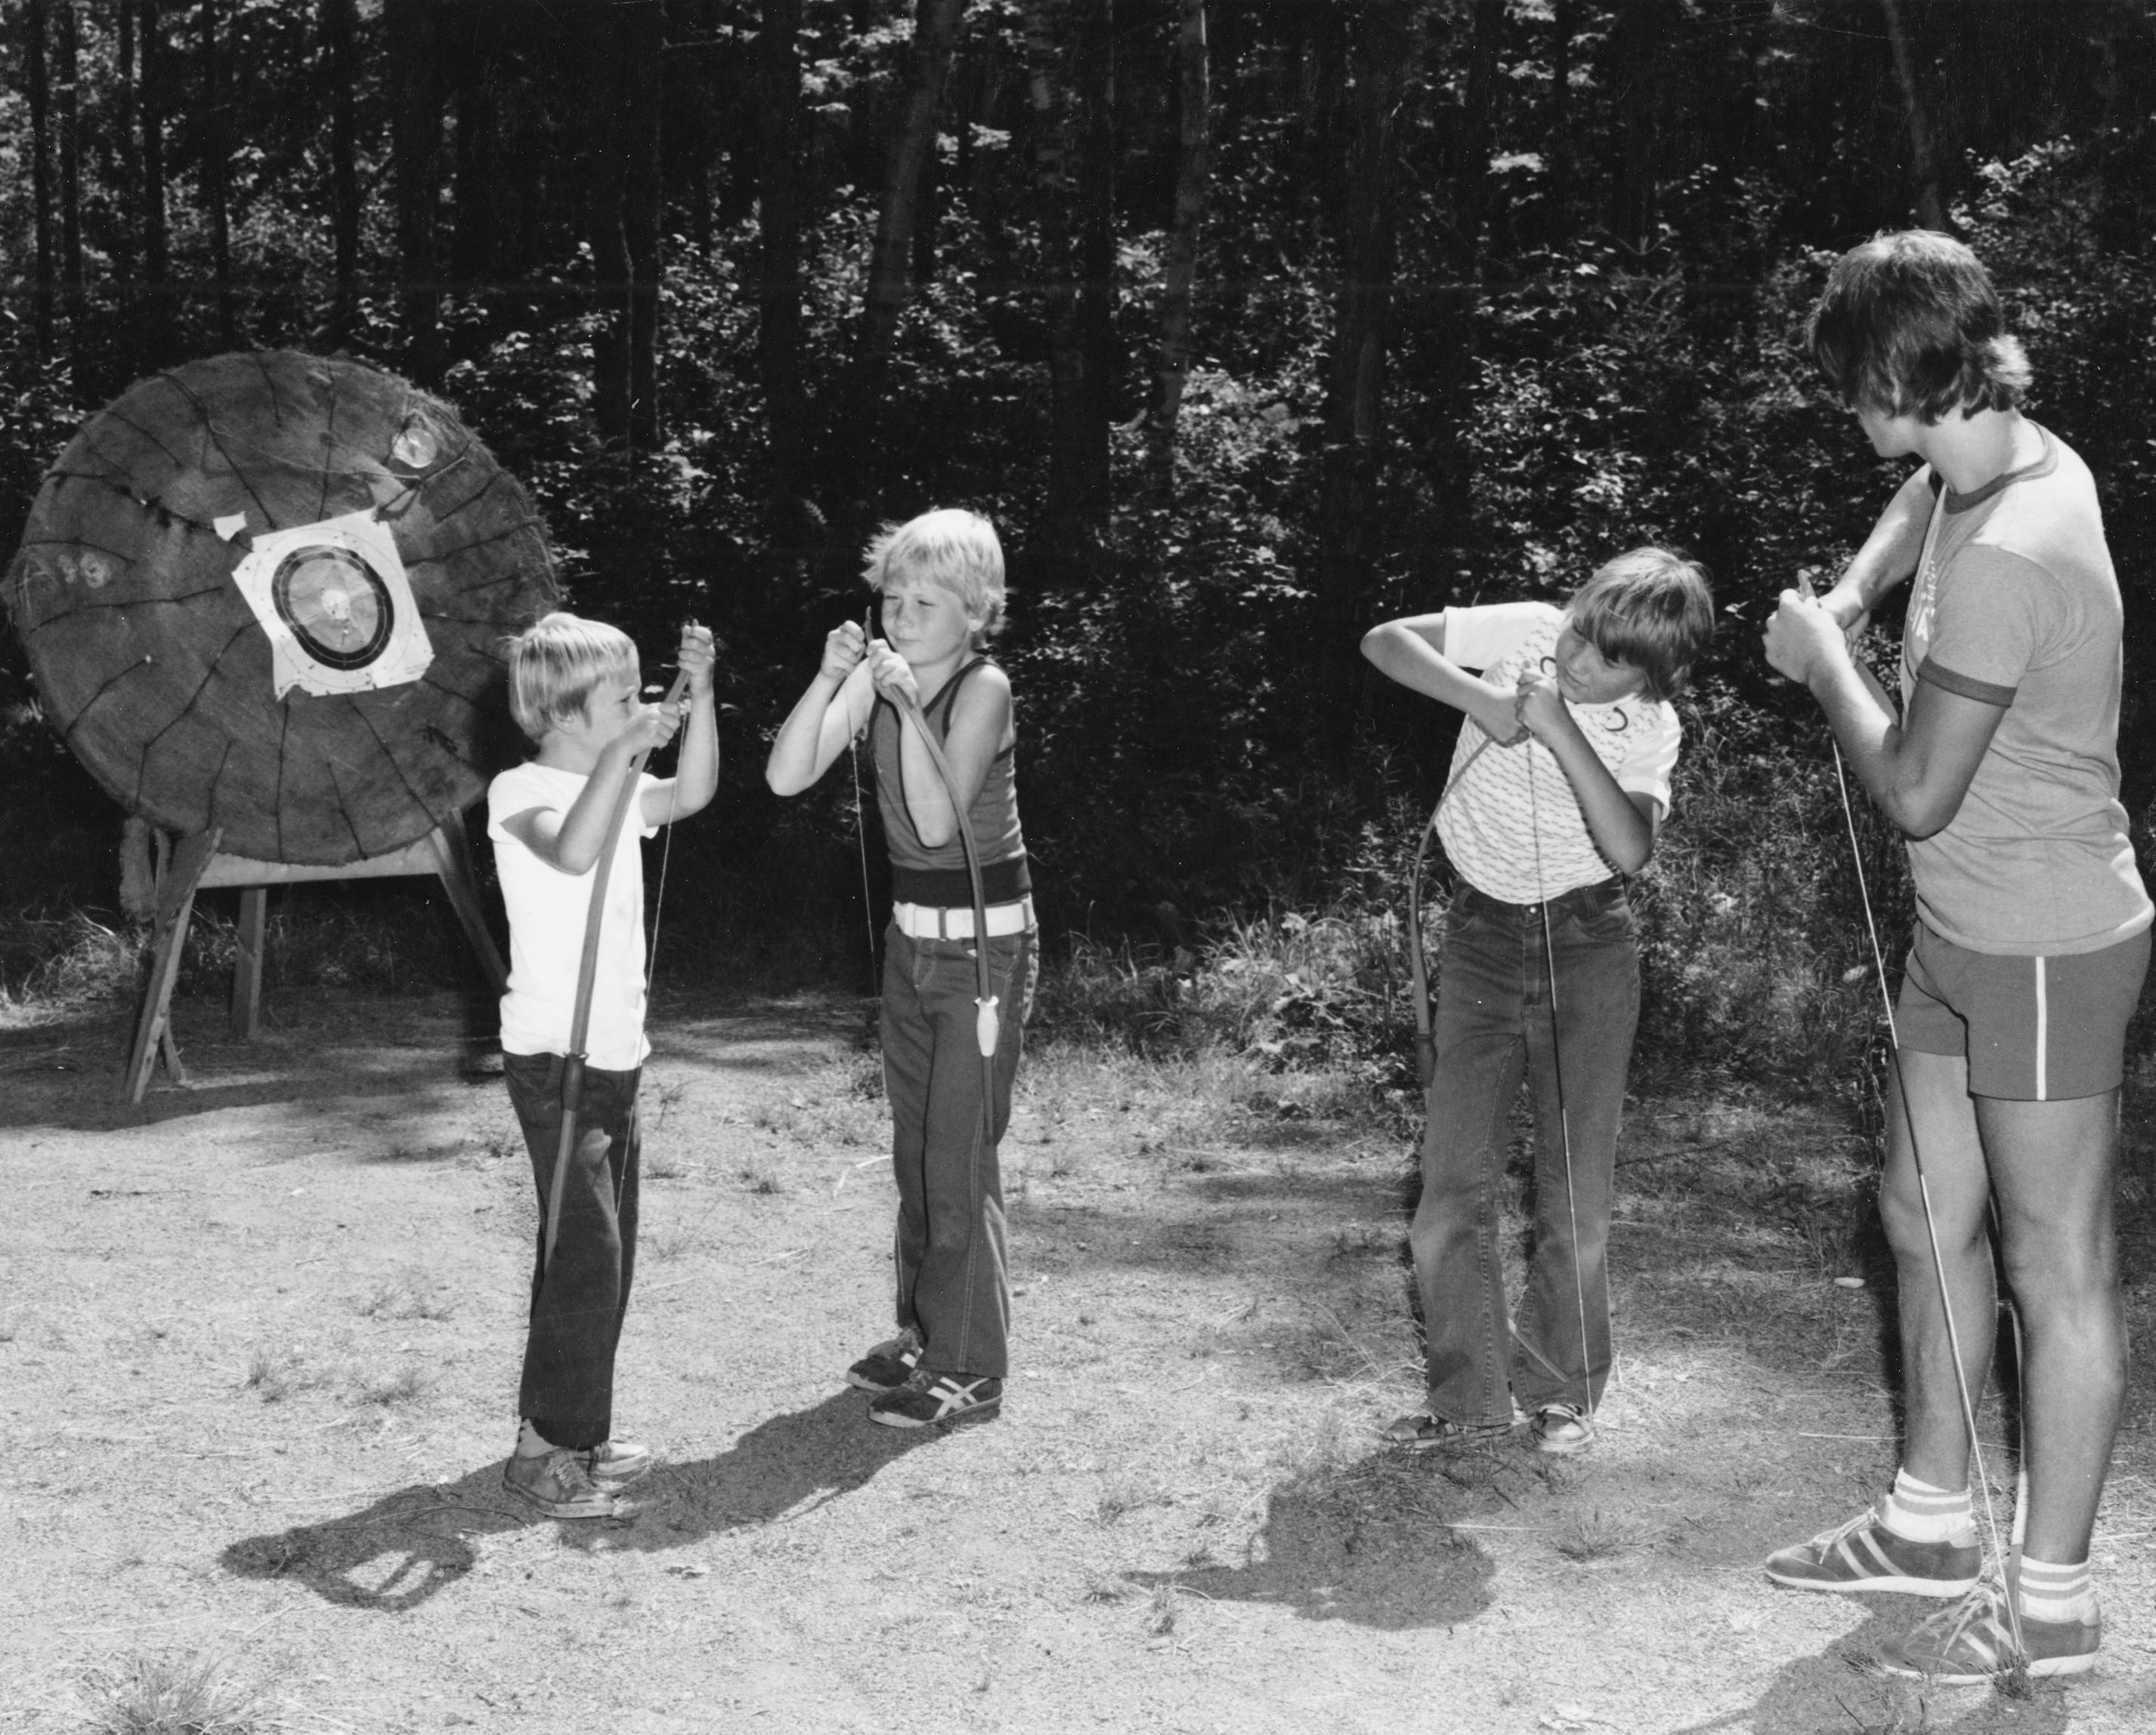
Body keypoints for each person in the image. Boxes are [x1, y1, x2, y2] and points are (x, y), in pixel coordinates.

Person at [1762, 230, 2150, 1683]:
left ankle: (2050, 1600)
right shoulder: (2000, 457)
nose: (1854, 427)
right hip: (1958, 926)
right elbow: (1920, 493)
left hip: (2044, 939)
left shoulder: (2016, 553)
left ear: (1895, 380)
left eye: (1854, 398)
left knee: (2058, 1265)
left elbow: (1914, 786)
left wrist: (1823, 664)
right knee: (1920, 1211)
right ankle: (1930, 1514)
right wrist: (1855, 596)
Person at [1362, 549, 1715, 1455]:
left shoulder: (1652, 727)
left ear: (1654, 675)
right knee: (1450, 1187)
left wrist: (1560, 729)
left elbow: (1632, 850)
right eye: (1579, 632)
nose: (1579, 659)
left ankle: (1562, 1389)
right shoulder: (1522, 628)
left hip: (1588, 946)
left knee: (1575, 1194)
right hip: (1480, 934)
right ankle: (1469, 1395)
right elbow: (1384, 642)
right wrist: (1481, 699)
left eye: (1609, 660)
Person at [766, 509, 1035, 1429]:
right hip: (911, 946)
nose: (904, 614)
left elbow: (930, 823)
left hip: (985, 953)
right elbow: (787, 774)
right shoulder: (884, 681)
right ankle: (925, 1334)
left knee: (958, 1158)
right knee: (917, 1155)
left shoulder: (979, 688)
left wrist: (907, 704)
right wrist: (835, 677)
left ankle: (971, 1367)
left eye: (927, 601)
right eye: (892, 596)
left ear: (975, 612)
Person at [489, 613, 719, 1518]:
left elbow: (692, 795)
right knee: (584, 1255)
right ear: (568, 715)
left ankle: (580, 1428)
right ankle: (542, 1447)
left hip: (615, 1057)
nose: (642, 708)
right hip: (556, 1060)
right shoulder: (521, 789)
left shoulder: (612, 782)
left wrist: (698, 703)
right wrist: (627, 753)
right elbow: (575, 848)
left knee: (605, 1253)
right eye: (624, 697)